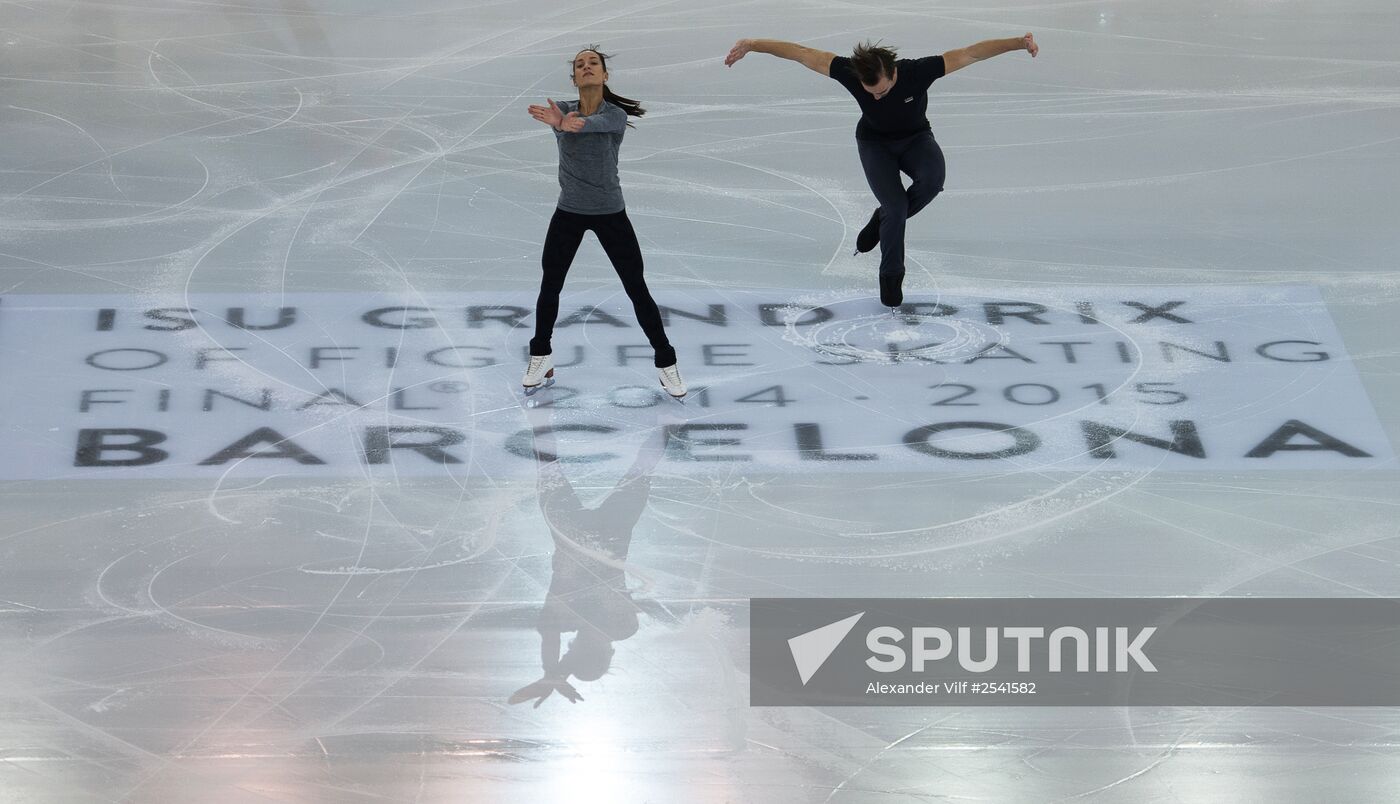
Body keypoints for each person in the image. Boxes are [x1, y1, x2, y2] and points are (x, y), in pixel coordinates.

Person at [724, 34, 1039, 308]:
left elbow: (971, 53)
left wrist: (1018, 43)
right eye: (870, 92)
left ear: (893, 72)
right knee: (896, 207)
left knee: (931, 182)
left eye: (883, 91)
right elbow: (803, 54)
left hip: (916, 139)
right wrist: (753, 45)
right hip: (875, 146)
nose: (876, 97)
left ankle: (882, 220)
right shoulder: (850, 71)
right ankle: (890, 277)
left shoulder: (918, 71)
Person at [523, 47, 687, 398]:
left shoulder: (613, 116)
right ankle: (540, 354)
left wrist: (566, 125)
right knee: (550, 285)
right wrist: (560, 122)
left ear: (604, 75)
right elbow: (568, 120)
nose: (586, 68)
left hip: (610, 213)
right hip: (568, 212)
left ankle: (666, 361)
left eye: (592, 64)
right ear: (574, 78)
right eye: (580, 65)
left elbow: (588, 124)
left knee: (636, 289)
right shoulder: (561, 111)